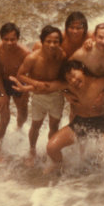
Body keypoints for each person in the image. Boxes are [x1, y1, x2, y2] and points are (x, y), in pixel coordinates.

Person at [11, 59, 104, 175]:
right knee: (52, 147)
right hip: (78, 124)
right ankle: (59, 164)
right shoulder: (68, 86)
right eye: (70, 79)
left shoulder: (99, 82)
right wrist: (26, 88)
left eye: (75, 76)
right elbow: (47, 86)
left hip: (99, 125)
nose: (73, 81)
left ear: (82, 70)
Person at [16, 25, 67, 164]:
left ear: (59, 42)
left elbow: (65, 77)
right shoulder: (33, 58)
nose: (52, 45)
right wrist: (34, 83)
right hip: (38, 96)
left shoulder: (62, 56)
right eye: (48, 41)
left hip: (56, 95)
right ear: (42, 41)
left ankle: (51, 150)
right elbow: (20, 75)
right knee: (36, 125)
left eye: (56, 42)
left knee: (54, 126)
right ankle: (32, 150)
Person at [0, 22, 30, 155]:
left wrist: (25, 89)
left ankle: (18, 129)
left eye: (12, 39)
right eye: (6, 39)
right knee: (4, 118)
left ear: (17, 39)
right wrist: (2, 94)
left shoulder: (25, 52)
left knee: (23, 114)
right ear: (1, 39)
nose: (9, 42)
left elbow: (28, 74)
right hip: (3, 82)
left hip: (19, 81)